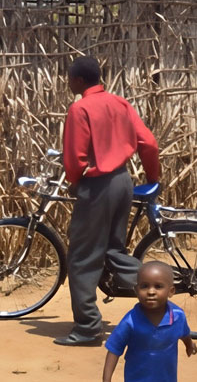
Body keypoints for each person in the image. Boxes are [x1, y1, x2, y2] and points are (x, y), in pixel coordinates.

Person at [55, 55, 161, 346]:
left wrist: (76, 184)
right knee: (113, 251)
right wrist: (152, 178)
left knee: (82, 258)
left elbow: (75, 159)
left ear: (78, 80)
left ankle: (88, 328)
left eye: (69, 77)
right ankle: (165, 281)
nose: (67, 82)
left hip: (97, 187)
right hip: (123, 183)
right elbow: (148, 143)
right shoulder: (120, 103)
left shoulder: (80, 108)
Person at [102, 261, 197, 382]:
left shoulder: (177, 316)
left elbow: (183, 332)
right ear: (136, 291)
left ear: (171, 291)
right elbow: (114, 350)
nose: (151, 292)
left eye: (158, 286)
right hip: (137, 378)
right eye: (144, 286)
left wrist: (189, 344)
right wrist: (106, 379)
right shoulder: (130, 321)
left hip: (167, 377)